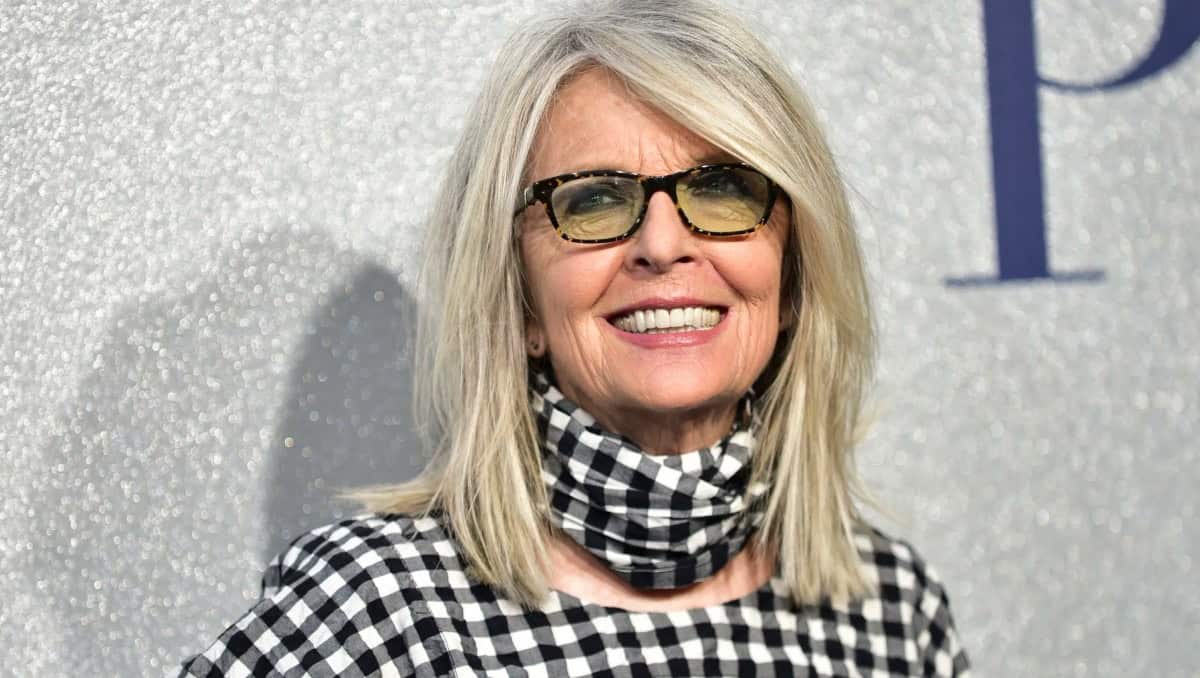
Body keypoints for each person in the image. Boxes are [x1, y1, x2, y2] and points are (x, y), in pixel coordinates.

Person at [178, 0, 971, 675]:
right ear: (519, 295)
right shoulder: (378, 608)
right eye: (593, 201)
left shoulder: (890, 614)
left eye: (724, 190)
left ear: (792, 275)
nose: (662, 245)